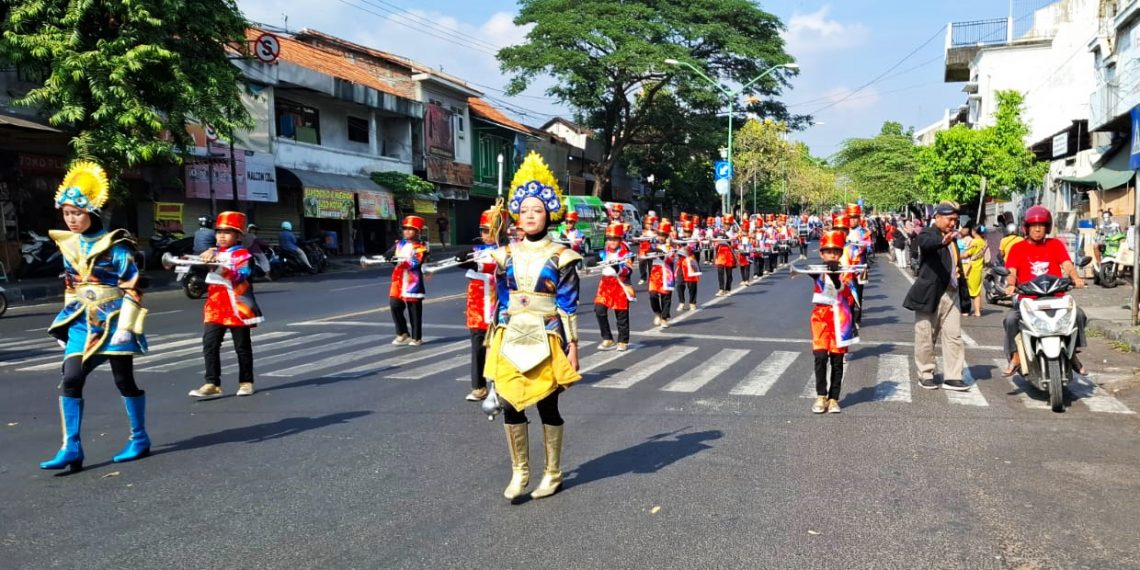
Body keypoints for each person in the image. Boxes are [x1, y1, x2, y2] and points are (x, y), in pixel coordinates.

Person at [41, 162, 151, 471]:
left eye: (76, 213)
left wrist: (127, 327)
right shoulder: (68, 245)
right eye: (66, 213)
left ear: (92, 211)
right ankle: (71, 446)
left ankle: (139, 438)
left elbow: (132, 285)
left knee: (123, 380)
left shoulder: (116, 245)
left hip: (114, 320)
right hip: (79, 321)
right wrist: (65, 327)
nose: (71, 219)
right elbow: (70, 285)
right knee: (72, 378)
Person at [486, 151, 582, 501]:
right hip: (510, 337)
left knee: (548, 407)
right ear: (517, 214)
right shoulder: (504, 255)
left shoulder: (563, 256)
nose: (529, 215)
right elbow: (500, 301)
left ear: (548, 214)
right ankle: (519, 472)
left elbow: (568, 305)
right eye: (524, 210)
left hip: (547, 337)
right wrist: (490, 344)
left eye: (536, 210)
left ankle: (553, 473)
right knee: (511, 404)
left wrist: (574, 348)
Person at [1001, 206, 1088, 375]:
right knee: (1010, 319)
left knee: (1079, 315)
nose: (1038, 229)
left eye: (1042, 225)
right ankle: (1016, 355)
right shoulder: (1017, 248)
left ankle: (1072, 353)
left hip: (1056, 298)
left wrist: (1076, 277)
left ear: (1047, 227)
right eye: (1033, 225)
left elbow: (1067, 265)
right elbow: (1011, 271)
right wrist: (1011, 284)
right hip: (1028, 299)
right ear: (1026, 228)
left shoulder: (1055, 244)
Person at [189, 212, 264, 398]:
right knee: (209, 344)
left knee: (242, 346)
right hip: (215, 305)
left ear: (238, 236)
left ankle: (246, 382)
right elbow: (197, 269)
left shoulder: (243, 255)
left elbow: (242, 275)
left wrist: (220, 267)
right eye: (219, 232)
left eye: (227, 232)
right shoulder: (212, 252)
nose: (221, 236)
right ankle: (212, 383)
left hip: (237, 305)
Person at [902, 201, 971, 392]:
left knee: (953, 336)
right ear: (938, 217)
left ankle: (953, 376)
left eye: (955, 220)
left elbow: (957, 268)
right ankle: (926, 373)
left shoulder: (953, 238)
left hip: (952, 293)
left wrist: (965, 299)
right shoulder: (929, 233)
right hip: (931, 293)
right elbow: (926, 244)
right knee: (925, 335)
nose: (952, 223)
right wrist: (942, 242)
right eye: (949, 219)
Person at [804, 230, 860, 414]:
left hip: (840, 319)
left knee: (837, 360)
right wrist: (822, 273)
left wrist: (836, 279)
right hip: (820, 319)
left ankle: (834, 398)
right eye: (828, 251)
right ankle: (821, 396)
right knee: (820, 358)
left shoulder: (846, 273)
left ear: (841, 253)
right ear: (821, 253)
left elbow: (846, 293)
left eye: (836, 251)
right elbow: (813, 277)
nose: (832, 255)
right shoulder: (817, 271)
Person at [458, 208, 504, 401]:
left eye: (490, 230)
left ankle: (502, 385)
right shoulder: (476, 250)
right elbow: (466, 262)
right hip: (477, 306)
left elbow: (497, 267)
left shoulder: (505, 251)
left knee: (499, 347)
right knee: (477, 345)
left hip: (498, 303)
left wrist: (475, 265)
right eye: (483, 231)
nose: (485, 235)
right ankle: (479, 387)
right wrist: (462, 258)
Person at [387, 216, 428, 346]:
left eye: (411, 229)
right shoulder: (399, 244)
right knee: (395, 305)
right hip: (398, 280)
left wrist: (398, 261)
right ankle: (402, 333)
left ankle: (417, 337)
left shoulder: (421, 247)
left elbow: (414, 263)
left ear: (417, 232)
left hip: (412, 281)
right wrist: (388, 256)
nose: (407, 232)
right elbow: (388, 254)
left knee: (414, 310)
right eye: (405, 229)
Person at [594, 222, 635, 351]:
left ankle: (623, 340)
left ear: (620, 239)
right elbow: (596, 261)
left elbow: (628, 270)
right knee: (599, 310)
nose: (612, 242)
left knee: (621, 313)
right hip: (605, 285)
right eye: (610, 239)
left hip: (620, 284)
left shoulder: (626, 253)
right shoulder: (603, 252)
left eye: (615, 239)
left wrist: (618, 268)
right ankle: (607, 338)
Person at [648, 220, 677, 327]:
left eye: (663, 235)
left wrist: (662, 255)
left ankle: (664, 318)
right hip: (655, 272)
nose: (661, 237)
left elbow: (671, 259)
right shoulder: (653, 244)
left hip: (666, 273)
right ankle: (657, 313)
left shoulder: (671, 246)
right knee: (652, 295)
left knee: (666, 297)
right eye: (659, 235)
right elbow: (645, 255)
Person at [960, 222, 987, 318]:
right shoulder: (983, 242)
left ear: (974, 231)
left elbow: (967, 254)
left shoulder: (974, 242)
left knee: (968, 290)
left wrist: (958, 255)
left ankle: (972, 310)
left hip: (971, 268)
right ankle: (977, 311)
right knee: (977, 292)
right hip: (979, 268)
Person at [713, 216, 736, 296]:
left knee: (729, 274)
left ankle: (728, 289)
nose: (726, 225)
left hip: (729, 254)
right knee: (720, 271)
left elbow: (734, 242)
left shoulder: (733, 233)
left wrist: (729, 238)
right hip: (720, 254)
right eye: (725, 224)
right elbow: (714, 239)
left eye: (728, 224)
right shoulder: (719, 231)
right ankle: (721, 289)